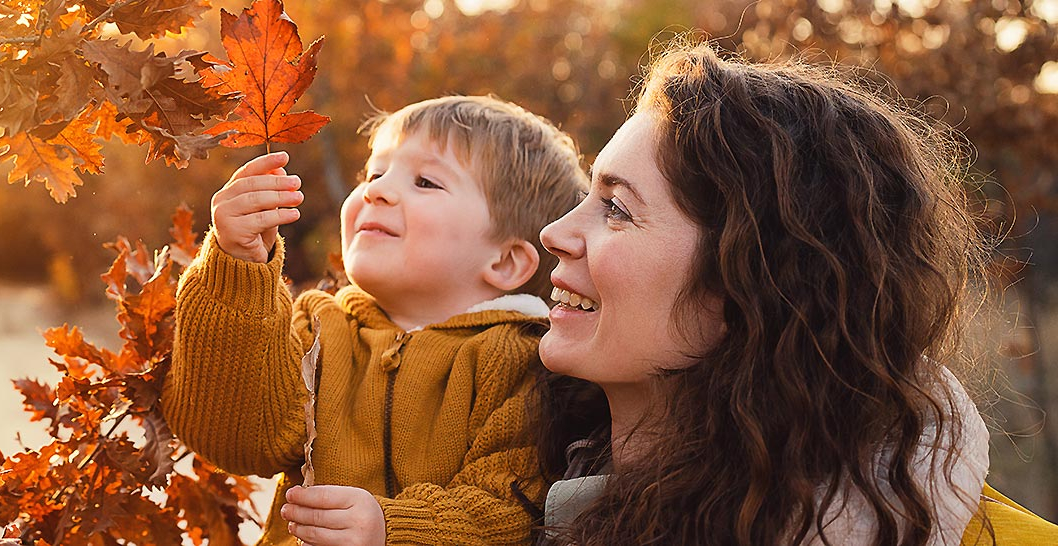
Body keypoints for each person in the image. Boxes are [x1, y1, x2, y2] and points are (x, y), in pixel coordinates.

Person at [534, 42, 1056, 545]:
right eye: (588, 194)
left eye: (617, 209)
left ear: (749, 281)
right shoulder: (500, 471)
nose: (554, 233)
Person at [162, 95, 586, 545]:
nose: (374, 190)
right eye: (375, 172)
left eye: (425, 182)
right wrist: (238, 268)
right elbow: (232, 437)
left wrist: (392, 530)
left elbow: (511, 509)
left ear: (504, 262)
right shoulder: (319, 327)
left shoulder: (523, 361)